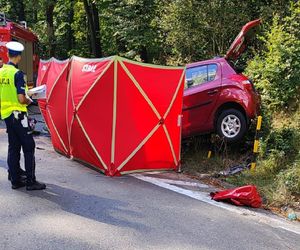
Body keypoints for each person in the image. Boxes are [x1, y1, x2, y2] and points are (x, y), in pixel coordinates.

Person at [0, 41, 46, 190]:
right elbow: (21, 98)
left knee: (14, 146)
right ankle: (30, 182)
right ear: (19, 57)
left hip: (6, 115)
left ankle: (15, 179)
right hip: (18, 115)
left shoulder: (1, 72)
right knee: (29, 146)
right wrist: (29, 99)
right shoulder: (17, 74)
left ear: (8, 54)